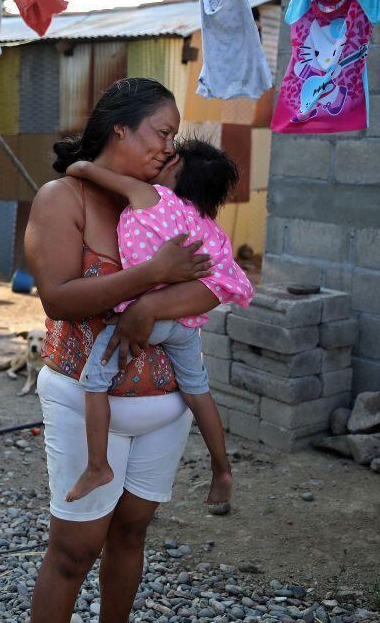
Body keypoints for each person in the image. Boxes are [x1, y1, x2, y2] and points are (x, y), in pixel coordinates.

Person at [25, 77, 220, 623]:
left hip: (167, 406)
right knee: (75, 550)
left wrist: (151, 307)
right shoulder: (63, 198)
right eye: (161, 133)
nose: (169, 147)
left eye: (174, 137)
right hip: (84, 402)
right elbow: (59, 299)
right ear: (120, 128)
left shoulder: (176, 199)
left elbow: (218, 279)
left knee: (132, 533)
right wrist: (152, 277)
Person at [62, 139, 254, 513]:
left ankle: (98, 466)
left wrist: (78, 164)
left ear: (176, 167)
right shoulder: (205, 222)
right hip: (184, 324)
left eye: (170, 156)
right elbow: (221, 275)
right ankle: (222, 468)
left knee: (94, 381)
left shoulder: (149, 195)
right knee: (198, 391)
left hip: (147, 320)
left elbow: (85, 171)